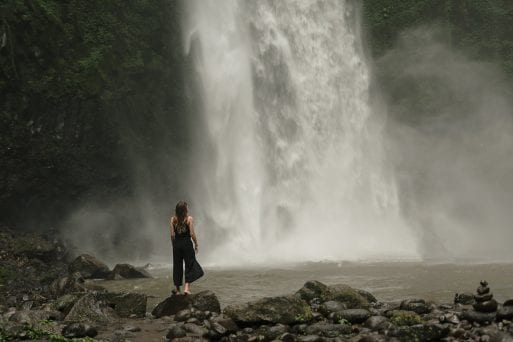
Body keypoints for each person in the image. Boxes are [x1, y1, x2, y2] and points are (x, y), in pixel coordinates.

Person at [170, 201, 203, 295]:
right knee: (190, 264)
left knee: (177, 266)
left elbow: (172, 235)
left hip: (177, 244)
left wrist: (174, 245)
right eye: (187, 207)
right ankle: (186, 288)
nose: (188, 208)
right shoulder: (189, 219)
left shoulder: (173, 219)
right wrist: (196, 244)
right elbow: (192, 233)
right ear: (185, 210)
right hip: (187, 244)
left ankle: (177, 290)